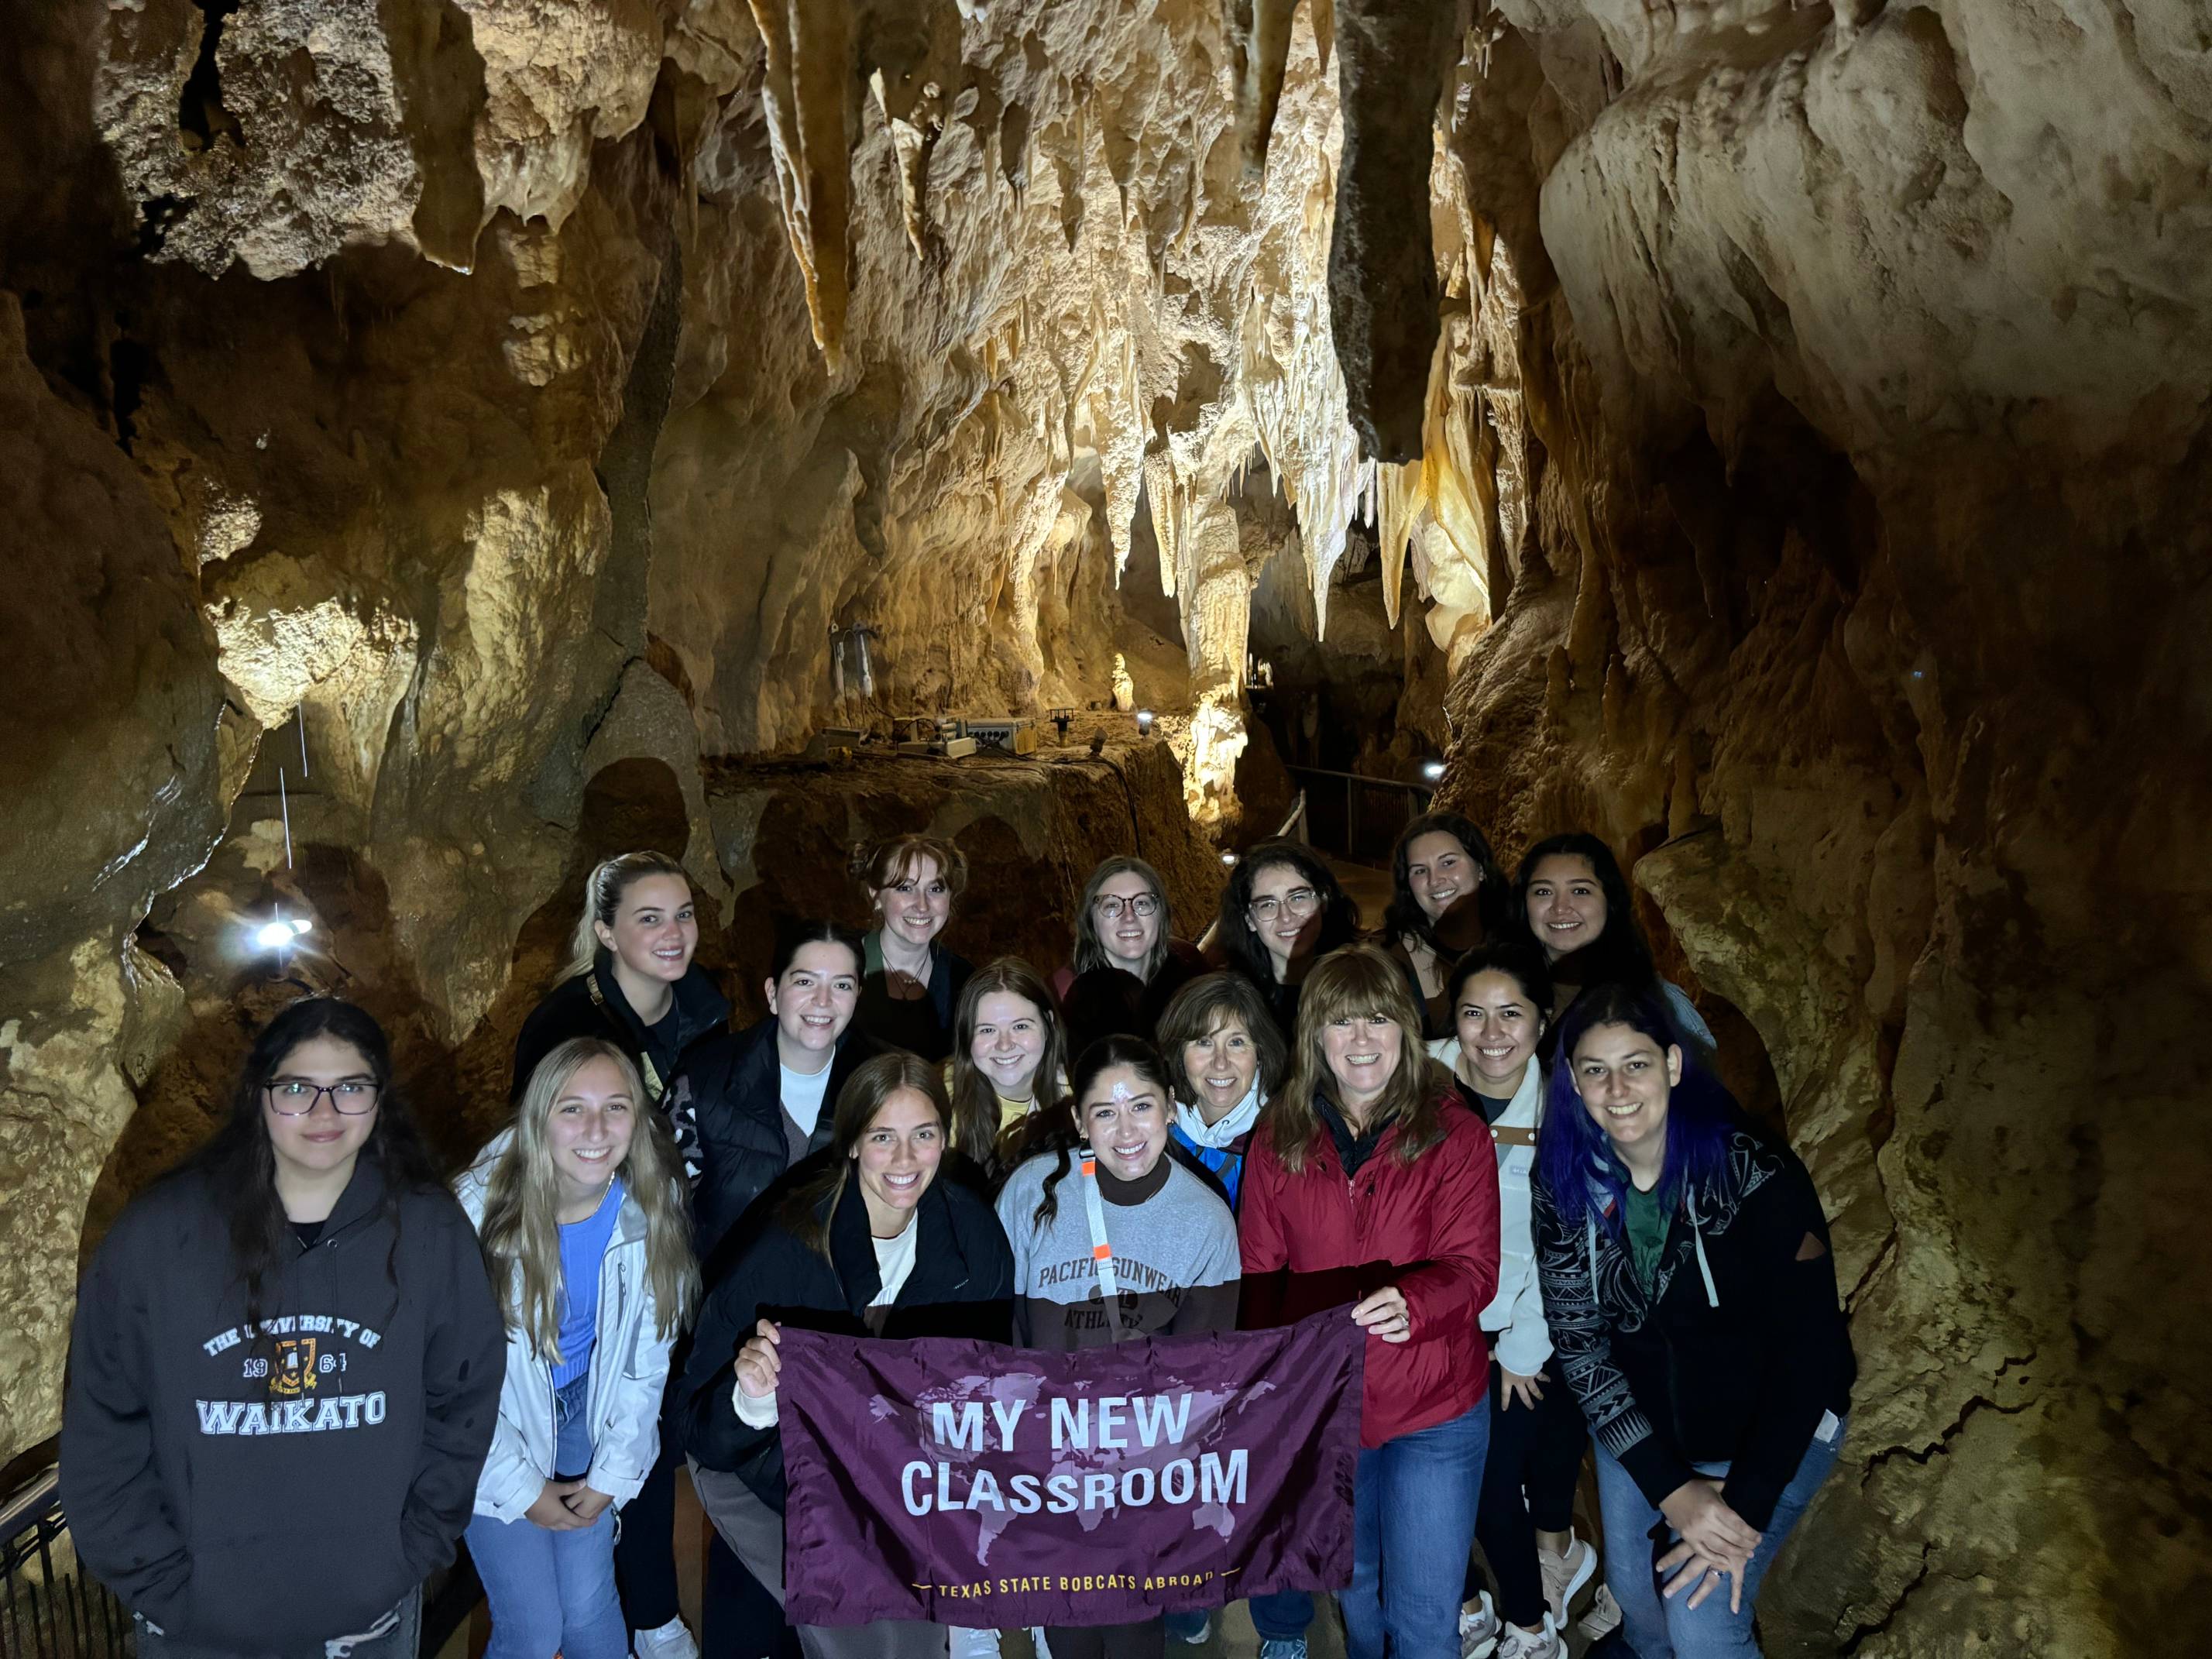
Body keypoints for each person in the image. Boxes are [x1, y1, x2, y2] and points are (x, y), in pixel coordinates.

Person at [62, 998, 505, 1659]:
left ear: (379, 1098)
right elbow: (103, 1420)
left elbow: (464, 1399)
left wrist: (407, 1552)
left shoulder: (430, 1234)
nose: (324, 1113)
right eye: (298, 1088)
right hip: (197, 1629)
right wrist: (160, 1582)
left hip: (366, 1620)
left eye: (350, 1087)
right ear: (258, 1096)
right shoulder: (159, 1239)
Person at [1532, 984, 1856, 1657]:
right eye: (1595, 1069)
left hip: (1775, 1431)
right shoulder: (1563, 1185)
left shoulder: (1756, 1177)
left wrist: (1743, 1504)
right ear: (1572, 1082)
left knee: (1700, 1618)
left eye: (1637, 1063)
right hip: (1644, 1426)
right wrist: (1671, 1488)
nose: (1618, 1087)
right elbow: (1581, 1347)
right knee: (1640, 1604)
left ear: (1674, 1065)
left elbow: (1809, 1356)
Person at [675, 1053, 1014, 1659]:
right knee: (855, 1624)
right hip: (761, 1464)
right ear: (854, 1143)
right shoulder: (784, 1250)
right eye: (884, 1137)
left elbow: (986, 1387)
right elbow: (700, 1427)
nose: (906, 1160)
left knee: (908, 1632)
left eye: (924, 1136)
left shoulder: (972, 1237)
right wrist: (751, 1398)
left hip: (891, 1479)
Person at [1238, 945, 1501, 1659]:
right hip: (1331, 1410)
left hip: (1433, 1407)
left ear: (1407, 1030)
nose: (1361, 1041)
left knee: (1421, 1614)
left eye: (1379, 1020)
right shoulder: (1277, 1138)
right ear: (1315, 1035)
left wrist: (1412, 1301)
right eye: (1341, 1022)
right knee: (1354, 1585)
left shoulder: (1455, 1131)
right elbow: (1260, 1277)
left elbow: (1475, 1269)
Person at [996, 1036, 1242, 1659]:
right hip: (1045, 1466)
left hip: (1140, 1475)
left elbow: (1204, 1376)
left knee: (1134, 1632)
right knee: (1069, 1631)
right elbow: (999, 1333)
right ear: (1079, 1119)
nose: (1126, 1130)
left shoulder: (1204, 1218)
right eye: (1105, 1111)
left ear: (1171, 1111)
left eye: (1143, 1107)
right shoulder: (1032, 1193)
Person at [458, 1039, 699, 1659]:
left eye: (616, 1107)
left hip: (584, 1410)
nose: (596, 1129)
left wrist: (613, 1473)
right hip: (492, 1424)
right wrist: (519, 1488)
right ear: (539, 1117)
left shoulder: (651, 1203)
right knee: (534, 1628)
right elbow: (447, 1383)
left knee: (590, 1604)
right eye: (573, 1109)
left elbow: (648, 1359)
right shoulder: (471, 1213)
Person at [1427, 946, 1587, 1659]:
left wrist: (1521, 1351)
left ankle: (1529, 1625)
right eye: (1473, 1013)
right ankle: (1467, 1601)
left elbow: (1568, 1246)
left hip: (1514, 1333)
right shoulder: (1415, 1080)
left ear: (1542, 1021)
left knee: (1489, 1475)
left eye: (1511, 1013)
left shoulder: (1567, 1106)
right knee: (1423, 1470)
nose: (1492, 1033)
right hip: (1426, 1319)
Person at [673, 921, 882, 1270]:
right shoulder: (702, 1079)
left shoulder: (882, 1087)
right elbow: (663, 1212)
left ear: (858, 996)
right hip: (719, 1301)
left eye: (842, 985)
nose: (823, 1000)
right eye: (804, 982)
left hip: (830, 1306)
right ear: (772, 993)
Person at [511, 851, 732, 1149]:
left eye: (683, 915)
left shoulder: (705, 1002)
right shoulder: (561, 1027)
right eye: (650, 919)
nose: (675, 933)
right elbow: (529, 1142)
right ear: (607, 934)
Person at [1513, 833, 1715, 1054]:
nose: (1560, 907)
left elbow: (1699, 1083)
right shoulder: (1501, 998)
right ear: (1524, 903)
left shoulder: (1661, 1002)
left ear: (1610, 901)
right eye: (1543, 892)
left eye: (1580, 891)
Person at [1156, 971, 1287, 1211]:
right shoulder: (1152, 1128)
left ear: (1260, 1052)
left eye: (1236, 1043)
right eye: (1204, 1043)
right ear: (1178, 1053)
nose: (1220, 1062)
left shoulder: (1288, 1138)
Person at [1213, 840, 1362, 1039]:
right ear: (1249, 919)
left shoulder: (1365, 981)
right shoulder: (1229, 1001)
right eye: (1267, 904)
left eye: (1298, 898)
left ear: (1324, 899)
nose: (1285, 916)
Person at [850, 833, 975, 1063]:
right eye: (905, 888)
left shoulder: (965, 980)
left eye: (935, 889)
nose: (922, 905)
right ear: (875, 894)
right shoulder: (843, 968)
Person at [1382, 812, 1507, 1039]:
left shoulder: (1522, 941)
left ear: (1480, 868)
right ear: (1408, 885)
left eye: (1448, 863)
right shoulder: (1392, 964)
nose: (1435, 880)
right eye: (1420, 871)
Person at [946, 957, 1070, 1181]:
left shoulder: (1080, 1094)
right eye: (986, 1030)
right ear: (965, 1035)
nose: (1005, 1045)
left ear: (1048, 1024)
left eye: (1020, 1026)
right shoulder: (940, 1103)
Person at [1050, 855, 1205, 1015]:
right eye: (1112, 905)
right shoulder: (1062, 997)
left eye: (1141, 903)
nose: (1129, 917)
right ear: (1090, 919)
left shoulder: (1192, 983)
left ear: (1161, 914)